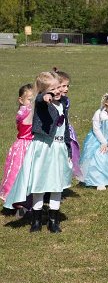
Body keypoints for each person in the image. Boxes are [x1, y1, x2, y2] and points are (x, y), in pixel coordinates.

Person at [3, 72, 73, 233]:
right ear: (42, 91)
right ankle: (36, 220)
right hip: (43, 149)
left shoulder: (62, 104)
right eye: (52, 89)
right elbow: (40, 99)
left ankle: (53, 221)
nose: (57, 91)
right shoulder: (40, 102)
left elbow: (66, 128)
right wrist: (45, 96)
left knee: (57, 186)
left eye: (58, 87)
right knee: (39, 185)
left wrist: (68, 148)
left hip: (58, 148)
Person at [0, 83, 37, 214]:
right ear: (21, 100)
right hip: (23, 146)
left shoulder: (33, 110)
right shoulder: (23, 111)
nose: (32, 102)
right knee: (17, 173)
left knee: (31, 175)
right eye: (29, 99)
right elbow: (26, 120)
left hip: (33, 145)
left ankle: (29, 201)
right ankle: (15, 202)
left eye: (34, 99)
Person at [52, 69, 81, 181]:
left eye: (67, 86)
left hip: (64, 131)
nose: (66, 89)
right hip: (53, 134)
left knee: (65, 157)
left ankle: (60, 183)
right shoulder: (49, 101)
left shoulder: (65, 101)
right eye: (63, 86)